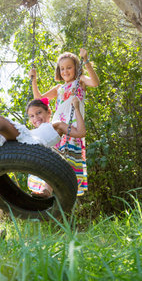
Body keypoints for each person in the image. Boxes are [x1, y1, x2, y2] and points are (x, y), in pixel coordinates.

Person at [29, 48, 99, 196]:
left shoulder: (80, 81)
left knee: (65, 159)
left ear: (76, 68)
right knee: (51, 158)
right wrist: (34, 80)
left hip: (72, 126)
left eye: (69, 67)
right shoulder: (59, 88)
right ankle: (45, 191)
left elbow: (95, 82)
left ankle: (54, 195)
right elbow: (39, 100)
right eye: (62, 68)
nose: (65, 71)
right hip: (56, 127)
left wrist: (85, 60)